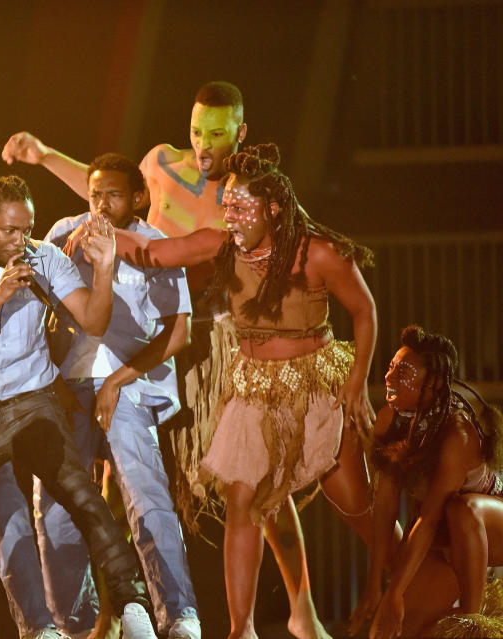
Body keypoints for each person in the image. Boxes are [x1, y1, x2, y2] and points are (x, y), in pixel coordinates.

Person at [107, 144, 377, 639]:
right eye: (225, 205)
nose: (229, 215)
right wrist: (102, 233)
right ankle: (241, 629)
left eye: (240, 206)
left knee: (356, 503)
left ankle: (401, 575)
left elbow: (364, 310)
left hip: (317, 386)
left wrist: (357, 381)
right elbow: (157, 252)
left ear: (273, 208)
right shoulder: (223, 245)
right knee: (243, 501)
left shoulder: (316, 252)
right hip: (252, 389)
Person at [0, 175, 159, 639]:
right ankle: (26, 629)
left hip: (35, 400)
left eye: (26, 229)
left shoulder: (43, 256)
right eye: (10, 231)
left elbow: (93, 319)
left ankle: (134, 607)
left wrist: (104, 269)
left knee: (83, 497)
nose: (20, 241)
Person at [35, 153, 201, 638]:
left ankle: (179, 615)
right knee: (56, 505)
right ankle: (70, 625)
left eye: (113, 194)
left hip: (126, 386)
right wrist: (54, 383)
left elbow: (179, 333)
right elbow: (31, 312)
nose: (101, 205)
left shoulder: (153, 245)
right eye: (94, 194)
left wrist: (115, 381)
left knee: (145, 495)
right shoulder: (64, 234)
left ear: (137, 197)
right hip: (65, 386)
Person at [348, 326, 503, 639]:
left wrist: (395, 592)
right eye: (391, 366)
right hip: (442, 537)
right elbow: (386, 505)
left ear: (431, 384)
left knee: (462, 508)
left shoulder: (457, 432)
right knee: (389, 631)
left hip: (488, 529)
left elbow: (429, 518)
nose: (390, 377)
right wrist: (376, 584)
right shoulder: (389, 421)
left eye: (403, 371)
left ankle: (472, 626)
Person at [1, 81, 246, 239]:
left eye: (217, 134)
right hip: (145, 306)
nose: (203, 145)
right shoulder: (165, 163)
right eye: (196, 132)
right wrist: (46, 155)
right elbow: (110, 191)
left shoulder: (251, 194)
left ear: (240, 133)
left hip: (209, 315)